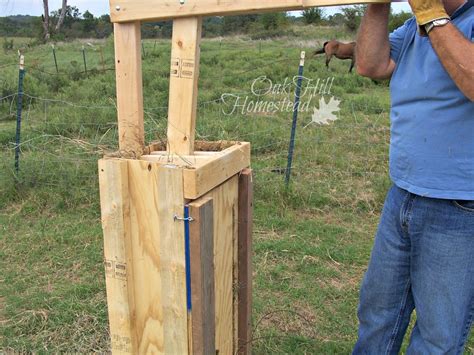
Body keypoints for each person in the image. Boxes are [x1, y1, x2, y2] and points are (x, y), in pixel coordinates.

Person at [353, 0, 474, 353]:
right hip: (403, 194)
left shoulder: (438, 20)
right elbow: (370, 64)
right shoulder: (411, 28)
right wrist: (377, 7)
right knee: (377, 316)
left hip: (460, 204)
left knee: (438, 335)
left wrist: (430, 12)